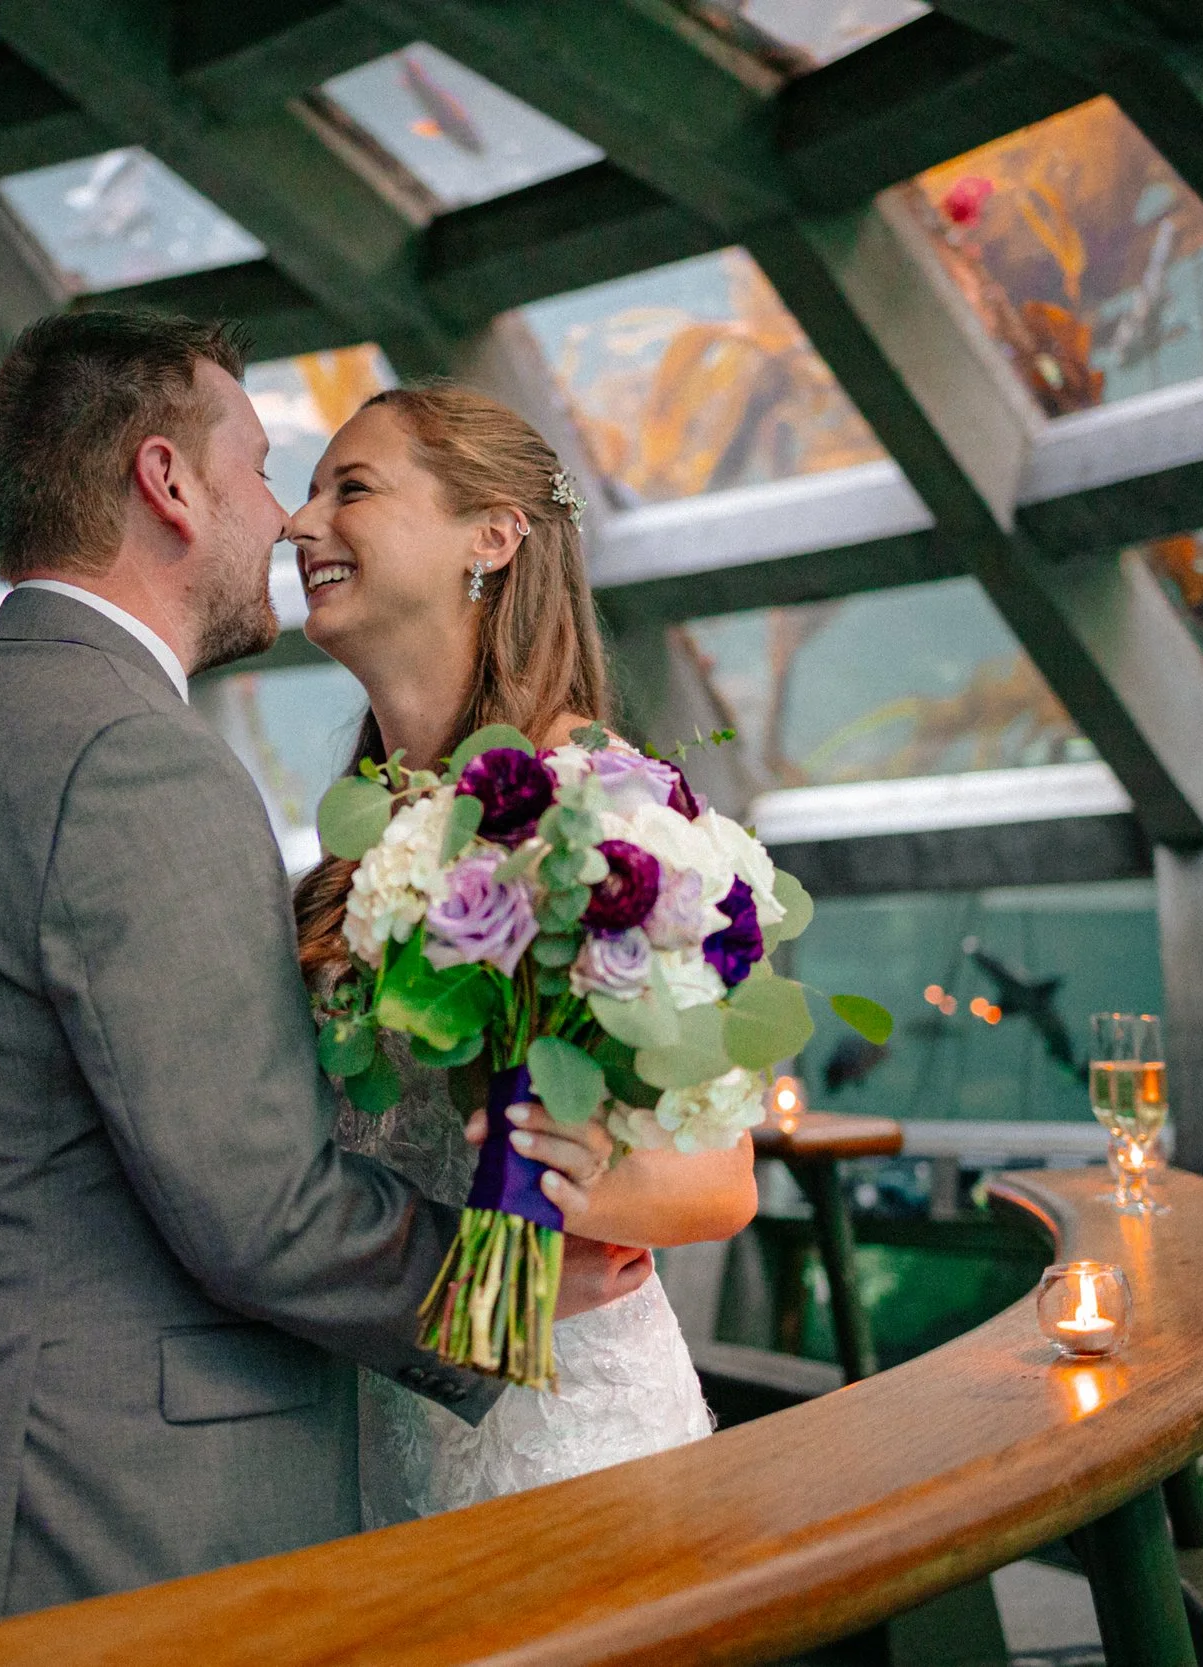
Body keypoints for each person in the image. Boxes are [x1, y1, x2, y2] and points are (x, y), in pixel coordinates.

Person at [0, 313, 646, 1651]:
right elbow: (257, 1204)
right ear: (169, 482)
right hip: (99, 1521)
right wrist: (508, 1286)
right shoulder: (131, 759)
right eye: (263, 470)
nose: (287, 517)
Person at [287, 384, 762, 1525]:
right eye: (307, 493)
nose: (298, 525)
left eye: (348, 488)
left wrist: (572, 1181)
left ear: (491, 536)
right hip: (384, 1428)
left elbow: (722, 1176)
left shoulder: (605, 813)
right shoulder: (360, 828)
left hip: (567, 1446)